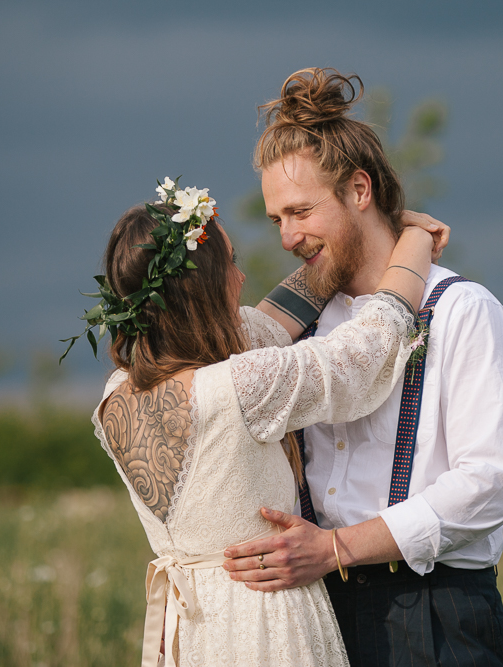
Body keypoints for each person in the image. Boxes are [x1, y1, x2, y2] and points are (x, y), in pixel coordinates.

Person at [72, 176, 447, 666]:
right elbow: (367, 351)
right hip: (266, 620)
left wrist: (354, 235)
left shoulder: (113, 397)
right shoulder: (241, 385)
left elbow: (269, 320)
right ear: (201, 290)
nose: (241, 277)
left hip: (187, 631)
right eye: (231, 263)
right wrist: (415, 240)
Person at [222, 68, 503, 666]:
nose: (287, 236)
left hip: (434, 612)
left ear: (359, 191)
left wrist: (336, 548)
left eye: (301, 211)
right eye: (276, 218)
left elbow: (489, 485)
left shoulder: (464, 311)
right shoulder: (301, 322)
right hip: (318, 611)